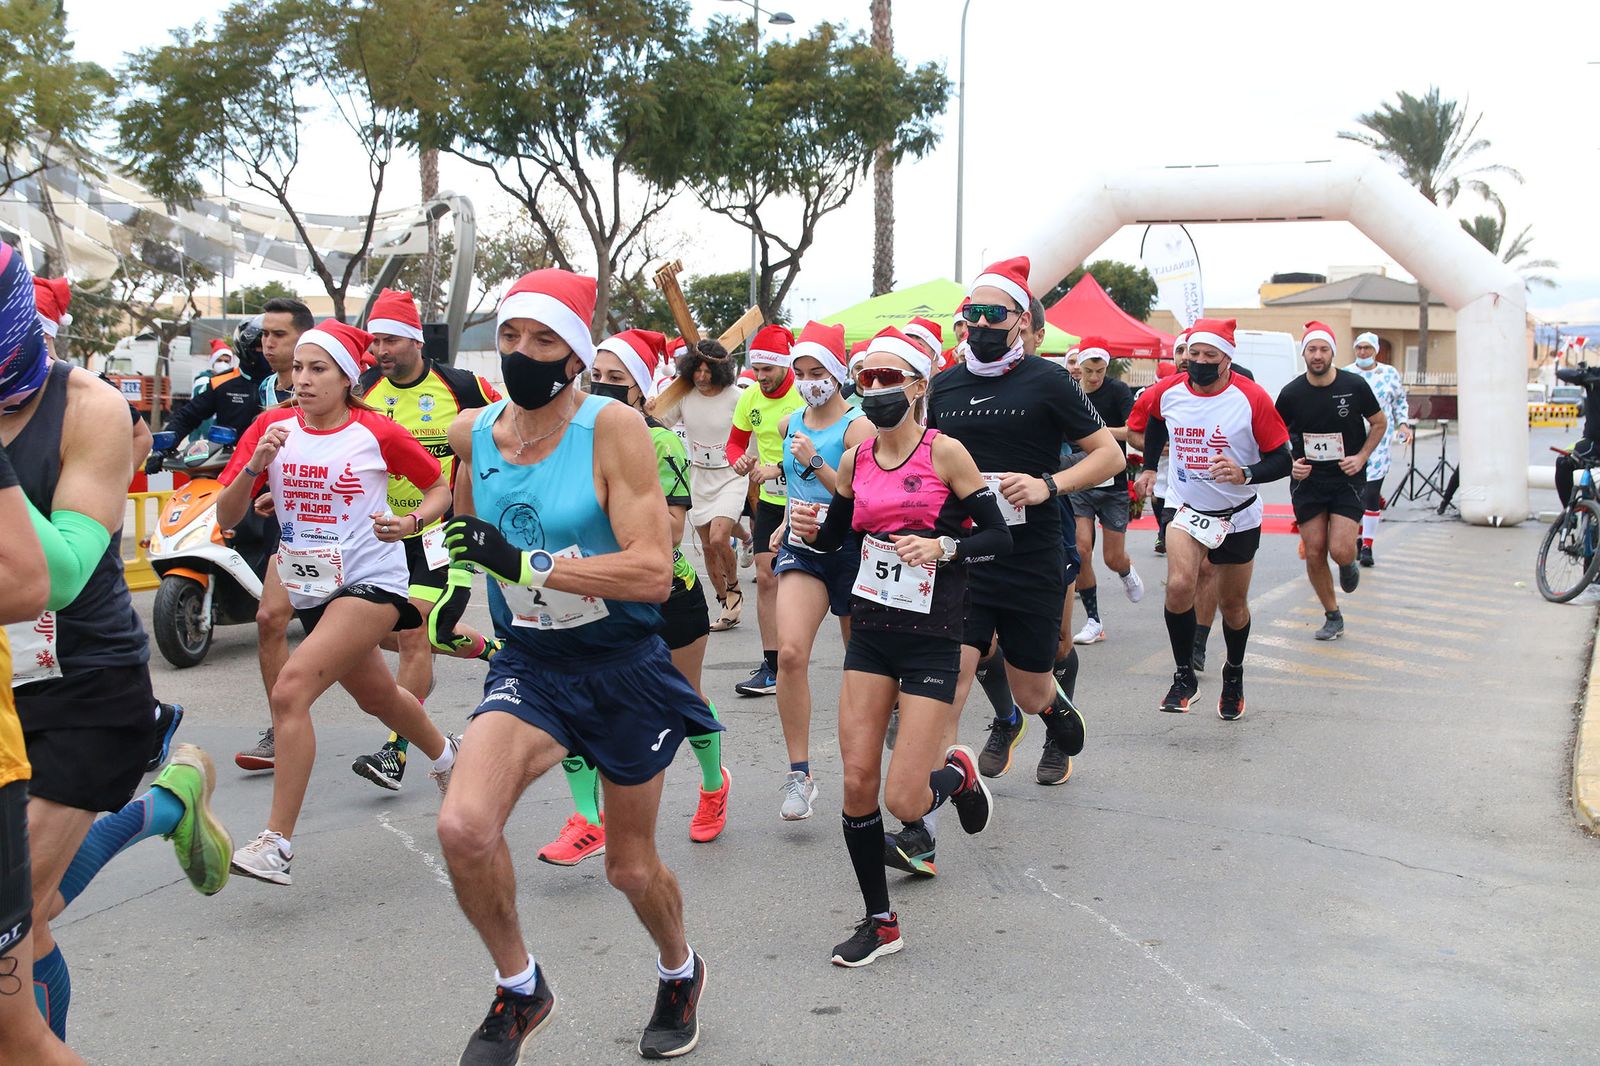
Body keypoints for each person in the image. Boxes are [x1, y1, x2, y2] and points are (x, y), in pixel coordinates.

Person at [435, 269, 718, 1061]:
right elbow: (465, 518)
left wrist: (528, 565)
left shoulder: (612, 430)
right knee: (462, 825)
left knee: (629, 869)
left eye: (543, 340)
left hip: (622, 663)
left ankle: (679, 969)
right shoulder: (473, 433)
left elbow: (652, 573)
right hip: (532, 662)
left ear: (576, 357)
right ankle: (521, 988)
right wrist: (453, 585)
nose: (522, 353)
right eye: (511, 337)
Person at [1, 243, 226, 1042]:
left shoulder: (87, 406)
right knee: (32, 919)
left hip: (83, 684)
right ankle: (167, 804)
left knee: (14, 928)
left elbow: (55, 576)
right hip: (3, 690)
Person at [788, 327, 1009, 966]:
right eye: (868, 379)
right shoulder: (857, 461)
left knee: (903, 800)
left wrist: (946, 547)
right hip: (873, 635)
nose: (877, 390)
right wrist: (809, 527)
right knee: (857, 781)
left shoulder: (947, 454)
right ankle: (880, 921)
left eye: (890, 379)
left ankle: (957, 775)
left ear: (918, 386)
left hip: (934, 639)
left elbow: (999, 537)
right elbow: (836, 538)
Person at [217, 319, 460, 885]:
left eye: (317, 369)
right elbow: (226, 517)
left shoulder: (375, 431)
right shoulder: (269, 426)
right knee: (378, 696)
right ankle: (450, 756)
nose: (301, 379)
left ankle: (276, 842)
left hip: (372, 580)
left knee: (292, 688)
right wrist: (256, 466)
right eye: (297, 368)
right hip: (309, 585)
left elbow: (438, 487)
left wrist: (411, 521)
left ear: (347, 376)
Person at [923, 257, 1120, 859]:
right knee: (947, 679)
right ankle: (920, 822)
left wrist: (1049, 485)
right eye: (971, 313)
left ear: (1021, 322)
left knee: (1029, 689)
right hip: (966, 554)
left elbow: (1109, 455)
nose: (979, 322)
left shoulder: (1047, 381)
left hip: (1030, 555)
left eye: (993, 313)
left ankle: (1052, 708)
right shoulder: (945, 385)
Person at [535, 328, 731, 863]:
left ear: (642, 389)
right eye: (595, 375)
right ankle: (587, 819)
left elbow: (668, 530)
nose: (600, 386)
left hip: (665, 594)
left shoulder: (660, 441)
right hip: (586, 593)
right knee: (572, 706)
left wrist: (605, 518)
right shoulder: (565, 437)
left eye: (615, 379)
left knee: (682, 700)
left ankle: (714, 786)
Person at [347, 288, 503, 791]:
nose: (380, 350)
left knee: (417, 633)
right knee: (407, 636)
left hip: (441, 532)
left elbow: (514, 424)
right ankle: (493, 651)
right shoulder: (362, 388)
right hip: (378, 536)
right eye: (375, 341)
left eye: (390, 340)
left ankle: (396, 751)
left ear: (415, 340)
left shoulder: (463, 386)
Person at [1130, 318, 1292, 720]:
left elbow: (1282, 459)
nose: (1199, 362)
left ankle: (1233, 673)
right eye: (1194, 354)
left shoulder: (1251, 398)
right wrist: (1149, 466)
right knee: (1180, 584)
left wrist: (1245, 473)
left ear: (1227, 359)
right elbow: (1152, 419)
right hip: (1186, 506)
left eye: (1210, 355)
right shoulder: (1168, 391)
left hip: (1237, 514)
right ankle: (1184, 676)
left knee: (1233, 605)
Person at [771, 321, 873, 821]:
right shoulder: (789, 422)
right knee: (790, 653)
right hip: (803, 548)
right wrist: (787, 519)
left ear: (837, 373)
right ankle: (800, 775)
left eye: (818, 371)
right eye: (801, 371)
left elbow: (865, 499)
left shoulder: (859, 427)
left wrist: (813, 464)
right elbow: (795, 490)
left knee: (863, 666)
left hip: (853, 549)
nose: (810, 381)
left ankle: (865, 761)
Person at [0, 437, 80, 1065]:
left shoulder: (88, 405)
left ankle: (163, 808)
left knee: (15, 1038)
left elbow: (42, 578)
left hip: (89, 688)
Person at [235, 297, 314, 772]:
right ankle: (280, 728)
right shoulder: (264, 389)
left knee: (387, 643)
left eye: (278, 335)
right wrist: (271, 490)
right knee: (270, 620)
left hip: (344, 534)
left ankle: (434, 743)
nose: (267, 343)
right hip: (285, 525)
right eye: (264, 334)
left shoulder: (343, 391)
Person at [1275, 322, 1385, 641]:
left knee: (1338, 549)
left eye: (1324, 349)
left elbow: (1379, 423)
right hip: (1309, 481)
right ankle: (1332, 615)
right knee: (1314, 551)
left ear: (1333, 353)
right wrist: (1291, 463)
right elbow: (1274, 435)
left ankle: (1348, 562)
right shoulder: (1292, 393)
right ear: (1304, 354)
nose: (1318, 355)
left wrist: (1362, 456)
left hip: (1346, 479)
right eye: (1312, 349)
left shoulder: (1354, 386)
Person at [728, 325, 804, 698]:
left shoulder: (803, 395)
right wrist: (740, 462)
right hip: (772, 502)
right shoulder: (751, 398)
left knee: (832, 585)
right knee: (767, 574)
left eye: (767, 370)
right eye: (755, 370)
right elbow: (735, 443)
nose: (760, 377)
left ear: (783, 366)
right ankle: (772, 666)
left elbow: (824, 443)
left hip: (810, 500)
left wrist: (781, 468)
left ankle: (872, 671)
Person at [650, 340, 746, 632]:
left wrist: (749, 462)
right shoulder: (685, 396)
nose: (702, 377)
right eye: (697, 371)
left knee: (719, 538)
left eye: (708, 371)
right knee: (706, 546)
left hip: (731, 475)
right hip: (699, 477)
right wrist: (650, 407)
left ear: (721, 371)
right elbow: (659, 421)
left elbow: (750, 434)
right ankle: (724, 604)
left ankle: (734, 591)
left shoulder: (737, 397)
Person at [1066, 338, 1143, 644]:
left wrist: (1095, 434)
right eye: (1088, 370)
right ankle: (1094, 620)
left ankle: (1125, 570)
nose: (1094, 377)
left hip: (1112, 482)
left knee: (1112, 557)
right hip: (1079, 480)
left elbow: (1131, 431)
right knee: (1081, 548)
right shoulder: (1070, 392)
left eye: (1099, 370)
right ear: (1078, 368)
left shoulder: (1118, 391)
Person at [1345, 332, 1411, 566]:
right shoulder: (1346, 373)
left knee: (1371, 494)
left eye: (1367, 348)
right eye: (1359, 348)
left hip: (1379, 442)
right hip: (1352, 443)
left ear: (1375, 350)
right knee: (1356, 494)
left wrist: (1403, 424)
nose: (1362, 352)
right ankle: (1355, 537)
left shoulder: (1389, 374)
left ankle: (1367, 546)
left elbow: (1399, 401)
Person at [149, 338, 264, 467]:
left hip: (281, 467)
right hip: (230, 465)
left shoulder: (288, 380)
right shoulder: (221, 383)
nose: (268, 346)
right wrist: (163, 448)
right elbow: (188, 416)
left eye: (278, 336)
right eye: (259, 346)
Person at [1554, 362, 1600, 508]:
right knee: (1563, 461)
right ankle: (1569, 512)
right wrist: (1583, 375)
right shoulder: (1595, 375)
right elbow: (1562, 373)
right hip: (1593, 443)